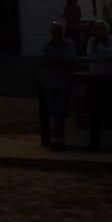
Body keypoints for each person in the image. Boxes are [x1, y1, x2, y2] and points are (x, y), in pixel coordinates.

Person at [85, 20, 112, 152]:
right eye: (96, 30)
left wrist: (100, 49)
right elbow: (91, 56)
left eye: (101, 30)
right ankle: (94, 143)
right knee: (94, 113)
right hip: (96, 79)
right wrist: (106, 55)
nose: (98, 33)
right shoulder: (91, 42)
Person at [39, 21, 78, 150]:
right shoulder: (65, 46)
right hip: (53, 82)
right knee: (55, 112)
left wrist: (54, 61)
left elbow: (68, 61)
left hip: (60, 83)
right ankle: (57, 139)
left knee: (60, 112)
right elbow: (49, 61)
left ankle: (57, 139)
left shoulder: (62, 45)